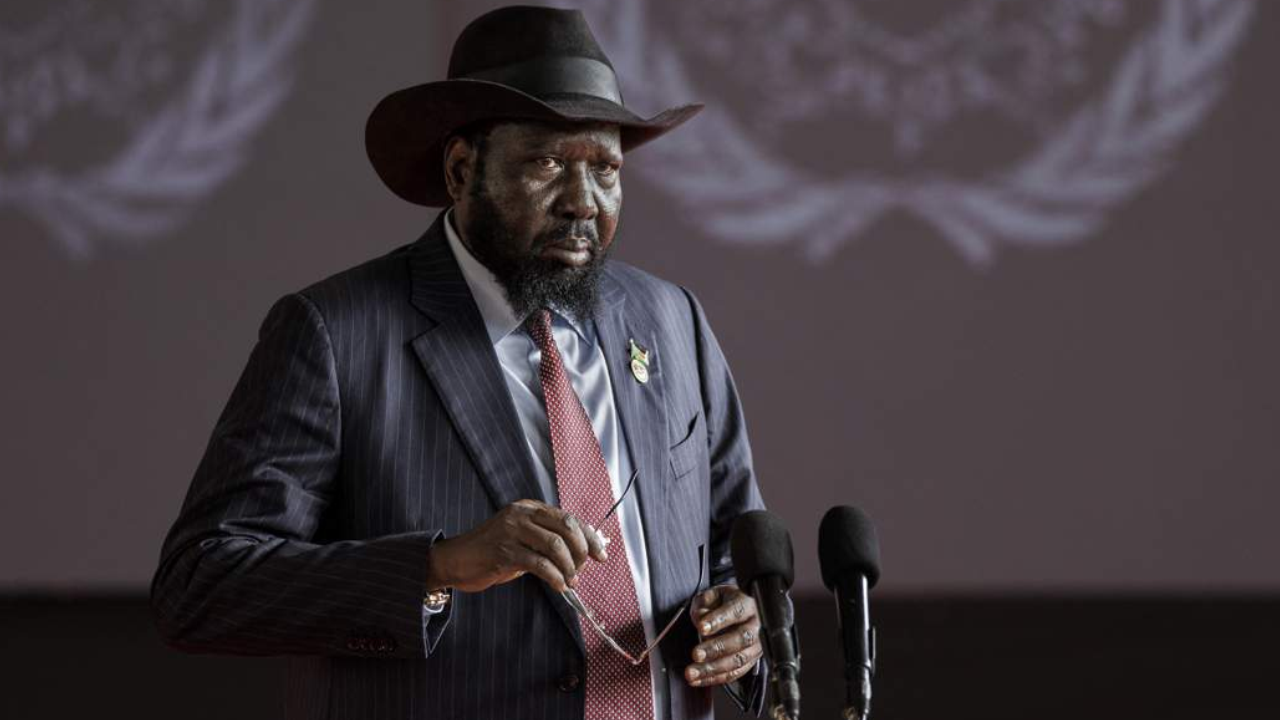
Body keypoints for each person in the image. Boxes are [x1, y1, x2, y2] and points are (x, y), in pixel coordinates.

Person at [151, 6, 767, 719]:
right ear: (461, 169)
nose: (582, 202)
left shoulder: (670, 319)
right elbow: (201, 585)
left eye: (605, 169)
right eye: (546, 164)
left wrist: (743, 620)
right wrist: (436, 567)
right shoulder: (335, 333)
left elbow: (739, 549)